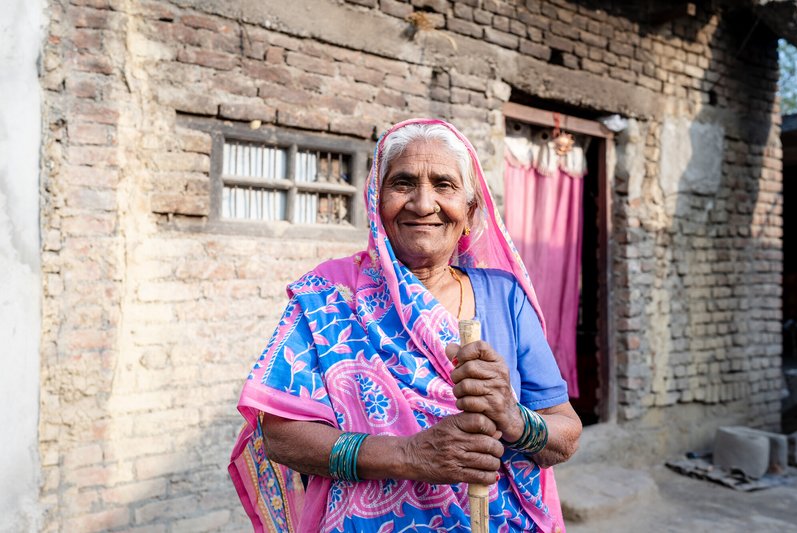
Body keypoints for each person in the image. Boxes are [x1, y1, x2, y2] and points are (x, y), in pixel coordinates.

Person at [229, 118, 582, 532]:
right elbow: (281, 436)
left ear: (469, 212)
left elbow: (565, 432)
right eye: (403, 183)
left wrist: (514, 417)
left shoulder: (504, 297)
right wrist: (411, 456)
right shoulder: (330, 294)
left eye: (444, 185)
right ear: (376, 204)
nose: (422, 203)